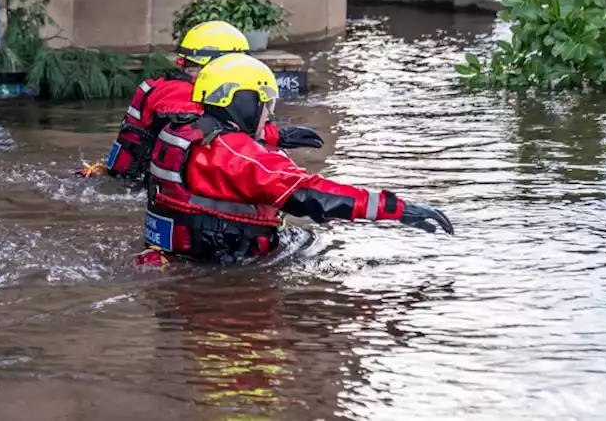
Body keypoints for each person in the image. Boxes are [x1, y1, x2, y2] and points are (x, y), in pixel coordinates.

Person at [142, 53, 453, 262]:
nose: (268, 114)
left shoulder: (178, 130)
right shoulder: (242, 157)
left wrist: (277, 137)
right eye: (264, 104)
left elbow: (222, 144)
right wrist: (397, 209)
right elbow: (312, 194)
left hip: (173, 254)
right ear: (244, 103)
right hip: (224, 262)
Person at [80, 20, 323, 184]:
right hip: (138, 185)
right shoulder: (182, 97)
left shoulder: (167, 86)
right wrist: (275, 137)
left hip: (134, 177)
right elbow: (216, 139)